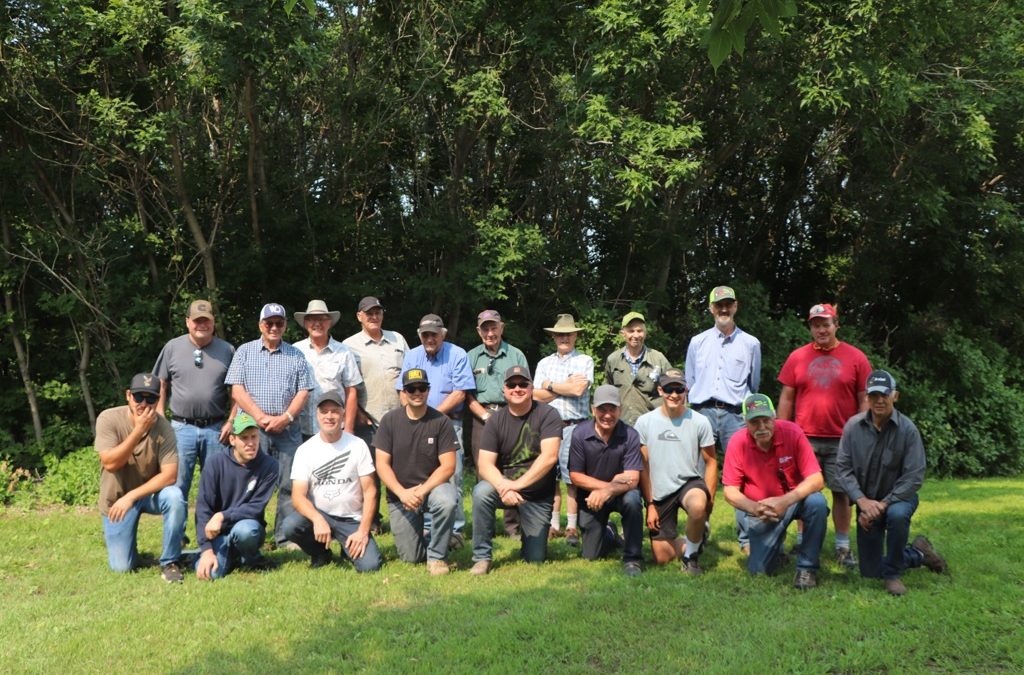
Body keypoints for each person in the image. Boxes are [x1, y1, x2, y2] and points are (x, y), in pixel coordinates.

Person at [836, 370, 948, 595]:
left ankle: (893, 575)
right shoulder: (852, 427)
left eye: (884, 395)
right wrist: (862, 501)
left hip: (898, 499)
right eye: (874, 395)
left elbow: (914, 476)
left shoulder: (908, 430)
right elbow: (843, 469)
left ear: (895, 396)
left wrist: (882, 504)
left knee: (897, 516)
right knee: (869, 571)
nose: (879, 400)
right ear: (867, 397)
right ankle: (918, 553)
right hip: (867, 502)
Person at [777, 303, 871, 568]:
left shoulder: (856, 358)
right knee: (803, 491)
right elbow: (786, 397)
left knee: (842, 493)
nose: (821, 329)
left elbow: (864, 398)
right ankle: (802, 540)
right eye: (816, 325)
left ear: (836, 325)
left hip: (843, 439)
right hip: (803, 438)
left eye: (825, 324)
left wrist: (861, 432)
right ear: (811, 328)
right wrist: (782, 431)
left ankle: (842, 546)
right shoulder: (797, 357)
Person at [225, 302, 313, 547]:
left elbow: (303, 392)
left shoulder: (296, 355)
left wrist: (286, 418)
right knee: (251, 481)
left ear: (285, 325)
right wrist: (259, 417)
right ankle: (252, 533)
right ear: (260, 325)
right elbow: (237, 389)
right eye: (269, 323)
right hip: (252, 430)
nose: (274, 327)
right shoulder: (244, 351)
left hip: (287, 429)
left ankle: (285, 537)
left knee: (287, 483)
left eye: (279, 323)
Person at [723, 394, 829, 589]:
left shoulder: (792, 432)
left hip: (794, 501)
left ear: (774, 417)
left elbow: (817, 479)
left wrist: (785, 501)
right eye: (755, 422)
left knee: (817, 503)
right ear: (745, 421)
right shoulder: (738, 442)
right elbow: (729, 490)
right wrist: (755, 508)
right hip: (762, 510)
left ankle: (807, 568)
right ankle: (775, 550)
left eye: (766, 420)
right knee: (759, 570)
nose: (762, 427)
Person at [685, 285, 761, 552]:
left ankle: (746, 538)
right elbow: (690, 381)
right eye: (719, 305)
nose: (724, 309)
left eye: (728, 304)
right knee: (697, 473)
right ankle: (699, 529)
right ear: (711, 309)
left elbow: (754, 384)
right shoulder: (697, 342)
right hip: (702, 412)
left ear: (736, 306)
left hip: (735, 416)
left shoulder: (751, 344)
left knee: (742, 476)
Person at [94, 373, 186, 582]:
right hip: (116, 499)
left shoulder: (164, 427)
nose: (144, 404)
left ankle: (170, 561)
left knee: (174, 496)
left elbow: (170, 476)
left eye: (151, 399)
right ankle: (133, 554)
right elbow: (110, 463)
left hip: (147, 495)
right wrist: (138, 431)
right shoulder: (108, 418)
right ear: (128, 396)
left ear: (157, 400)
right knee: (122, 567)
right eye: (138, 397)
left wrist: (132, 497)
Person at [471, 366, 563, 574]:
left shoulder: (548, 414)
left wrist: (517, 485)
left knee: (535, 559)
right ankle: (482, 557)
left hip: (537, 495)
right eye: (512, 385)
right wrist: (505, 487)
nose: (517, 389)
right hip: (505, 489)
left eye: (523, 384)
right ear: (504, 390)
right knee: (481, 492)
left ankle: (530, 541)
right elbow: (484, 464)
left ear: (531, 388)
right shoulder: (495, 420)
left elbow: (549, 457)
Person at [396, 313, 475, 546]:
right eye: (425, 334)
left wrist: (432, 417)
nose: (430, 338)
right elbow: (403, 391)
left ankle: (456, 530)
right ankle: (428, 527)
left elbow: (460, 392)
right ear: (420, 335)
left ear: (443, 334)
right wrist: (412, 417)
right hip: (415, 424)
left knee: (453, 475)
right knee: (421, 474)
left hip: (450, 422)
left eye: (434, 334)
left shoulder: (457, 354)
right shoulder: (412, 355)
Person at [281, 391, 382, 572]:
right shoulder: (305, 450)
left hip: (351, 519)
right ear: (317, 415)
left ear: (343, 414)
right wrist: (318, 519)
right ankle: (321, 553)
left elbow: (370, 491)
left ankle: (348, 546)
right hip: (321, 515)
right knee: (290, 526)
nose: (329, 416)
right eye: (324, 411)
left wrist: (363, 532)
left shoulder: (358, 445)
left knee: (370, 566)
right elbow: (298, 496)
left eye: (334, 411)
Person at [374, 369, 458, 575]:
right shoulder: (389, 421)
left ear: (428, 390)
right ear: (404, 392)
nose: (417, 392)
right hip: (400, 496)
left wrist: (421, 492)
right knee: (410, 558)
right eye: (411, 389)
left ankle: (437, 558)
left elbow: (448, 466)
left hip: (431, 490)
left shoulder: (441, 421)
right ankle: (443, 536)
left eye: (422, 388)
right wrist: (403, 493)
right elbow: (382, 464)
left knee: (447, 499)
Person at [635, 368, 717, 575]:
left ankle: (691, 557)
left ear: (686, 391)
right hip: (660, 490)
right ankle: (695, 538)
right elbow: (642, 466)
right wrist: (650, 504)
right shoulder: (644, 422)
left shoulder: (700, 421)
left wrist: (710, 499)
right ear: (660, 390)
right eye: (669, 389)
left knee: (698, 505)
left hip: (689, 483)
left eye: (679, 389)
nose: (674, 395)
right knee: (661, 558)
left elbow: (711, 461)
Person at [153, 299, 235, 501]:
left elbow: (238, 390)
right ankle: (178, 533)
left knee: (216, 486)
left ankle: (210, 531)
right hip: (180, 429)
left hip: (216, 429)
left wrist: (232, 421)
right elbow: (160, 383)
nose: (202, 325)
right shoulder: (172, 347)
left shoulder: (227, 350)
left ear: (213, 322)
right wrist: (160, 415)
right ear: (187, 322)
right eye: (197, 321)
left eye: (206, 320)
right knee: (176, 485)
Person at [342, 295, 409, 531]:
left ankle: (403, 514)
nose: (374, 316)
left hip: (399, 418)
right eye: (368, 313)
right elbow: (346, 383)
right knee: (368, 473)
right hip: (366, 419)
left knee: (399, 470)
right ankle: (372, 521)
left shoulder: (397, 339)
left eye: (377, 312)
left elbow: (409, 374)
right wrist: (357, 412)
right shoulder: (348, 345)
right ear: (359, 316)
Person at [568, 384, 644, 576]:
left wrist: (608, 491)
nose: (607, 415)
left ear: (620, 410)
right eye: (602, 409)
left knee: (633, 500)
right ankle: (610, 533)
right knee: (591, 555)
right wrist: (607, 487)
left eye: (612, 409)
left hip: (623, 494)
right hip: (591, 497)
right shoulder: (579, 433)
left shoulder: (631, 435)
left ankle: (633, 558)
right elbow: (575, 476)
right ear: (593, 410)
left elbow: (633, 479)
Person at [465, 309, 529, 536]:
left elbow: (525, 390)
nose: (490, 332)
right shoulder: (471, 356)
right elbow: (467, 394)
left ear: (502, 328)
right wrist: (484, 415)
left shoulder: (516, 355)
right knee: (484, 470)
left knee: (512, 468)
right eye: (485, 328)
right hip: (481, 417)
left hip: (512, 415)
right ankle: (486, 528)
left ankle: (514, 528)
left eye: (494, 327)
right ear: (478, 331)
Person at [194, 412, 279, 580]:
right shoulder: (215, 463)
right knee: (211, 574)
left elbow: (256, 507)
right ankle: (231, 555)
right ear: (232, 440)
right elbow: (203, 507)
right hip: (218, 533)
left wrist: (222, 516)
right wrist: (206, 550)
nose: (250, 443)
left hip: (248, 527)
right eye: (244, 438)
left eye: (254, 437)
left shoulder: (270, 465)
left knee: (245, 532)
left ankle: (252, 559)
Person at [533, 313, 593, 546]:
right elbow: (536, 395)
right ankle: (554, 525)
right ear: (554, 337)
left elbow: (578, 390)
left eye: (568, 334)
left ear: (575, 335)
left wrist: (549, 386)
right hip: (548, 427)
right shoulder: (544, 363)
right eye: (560, 334)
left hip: (575, 426)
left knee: (571, 478)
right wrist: (562, 387)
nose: (564, 338)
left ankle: (571, 526)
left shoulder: (584, 361)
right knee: (550, 476)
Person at [294, 299, 363, 437]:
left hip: (336, 429)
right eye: (312, 319)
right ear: (305, 323)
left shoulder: (343, 351)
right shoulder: (295, 351)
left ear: (329, 322)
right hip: (301, 429)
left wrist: (349, 429)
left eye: (322, 319)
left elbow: (351, 392)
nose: (317, 323)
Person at [604, 311, 673, 427]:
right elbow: (609, 392)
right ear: (623, 333)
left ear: (645, 333)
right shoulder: (613, 360)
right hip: (621, 427)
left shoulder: (658, 359)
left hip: (654, 426)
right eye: (631, 331)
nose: (636, 335)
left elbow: (674, 390)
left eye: (639, 331)